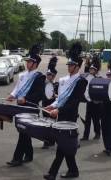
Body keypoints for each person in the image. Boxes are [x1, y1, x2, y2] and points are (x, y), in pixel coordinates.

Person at [43, 42, 88, 180]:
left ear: (78, 66)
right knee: (65, 144)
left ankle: (52, 173)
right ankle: (73, 170)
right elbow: (61, 98)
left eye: (71, 65)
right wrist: (52, 105)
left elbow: (73, 101)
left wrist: (58, 109)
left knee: (62, 145)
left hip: (70, 116)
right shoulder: (63, 80)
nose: (69, 67)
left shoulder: (81, 81)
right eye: (68, 65)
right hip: (61, 114)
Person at [6, 45, 45, 167]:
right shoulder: (22, 75)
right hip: (20, 106)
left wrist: (26, 99)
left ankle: (17, 158)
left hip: (30, 107)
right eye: (27, 61)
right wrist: (12, 95)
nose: (27, 63)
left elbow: (40, 94)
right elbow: (17, 88)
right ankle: (29, 154)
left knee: (23, 132)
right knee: (24, 132)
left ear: (35, 64)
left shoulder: (39, 77)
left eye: (29, 62)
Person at [81, 55, 102, 141]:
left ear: (95, 71)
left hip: (96, 102)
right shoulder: (87, 77)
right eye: (90, 69)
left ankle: (97, 133)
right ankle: (86, 136)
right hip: (89, 101)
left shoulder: (99, 78)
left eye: (92, 69)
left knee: (96, 119)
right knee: (88, 119)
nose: (91, 71)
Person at [42, 67, 58, 149]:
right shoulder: (44, 84)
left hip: (52, 106)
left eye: (50, 75)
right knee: (45, 124)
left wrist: (56, 95)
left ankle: (52, 141)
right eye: (47, 74)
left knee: (52, 124)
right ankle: (46, 142)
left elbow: (60, 97)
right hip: (45, 105)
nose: (48, 76)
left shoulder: (57, 85)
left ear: (54, 76)